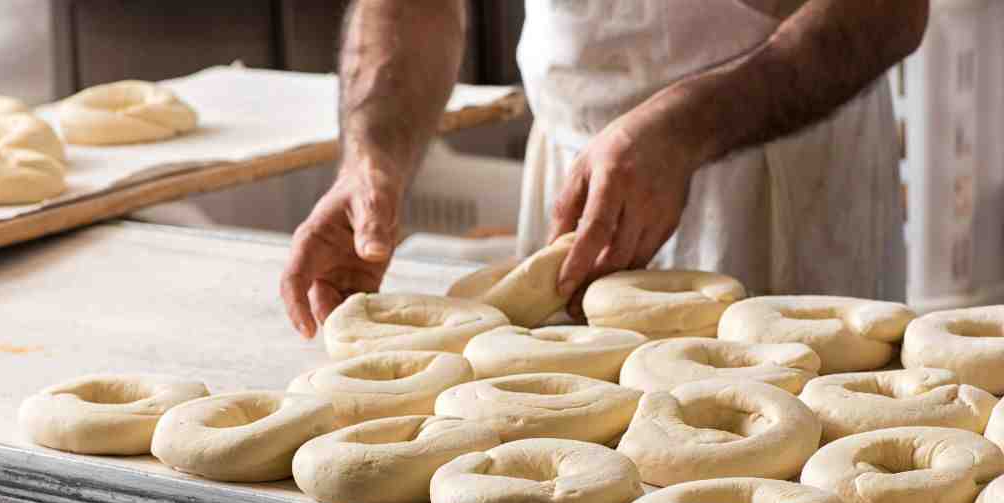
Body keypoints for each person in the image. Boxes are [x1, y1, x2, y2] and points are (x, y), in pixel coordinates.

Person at [280, 0, 929, 338]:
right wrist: (373, 158)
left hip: (772, 183)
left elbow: (887, 11)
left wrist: (688, 122)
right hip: (571, 179)